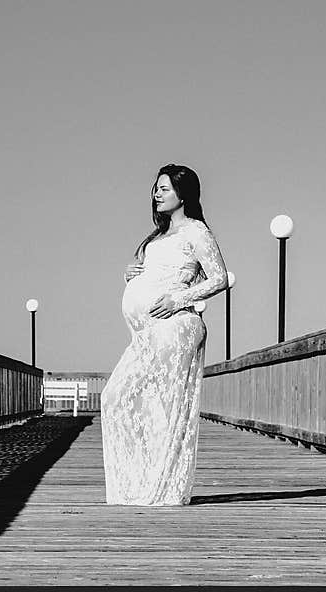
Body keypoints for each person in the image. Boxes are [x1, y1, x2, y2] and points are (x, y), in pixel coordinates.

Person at [100, 163, 228, 505]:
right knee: (113, 398)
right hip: (144, 334)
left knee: (164, 409)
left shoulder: (197, 232)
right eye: (156, 188)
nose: (156, 193)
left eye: (165, 188)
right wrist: (132, 276)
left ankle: (163, 491)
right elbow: (155, 275)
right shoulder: (158, 236)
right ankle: (137, 486)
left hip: (175, 329)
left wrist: (178, 299)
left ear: (183, 194)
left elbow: (218, 278)